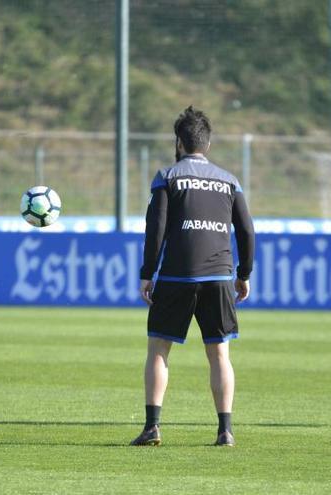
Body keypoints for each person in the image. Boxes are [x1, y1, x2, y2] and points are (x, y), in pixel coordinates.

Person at [131, 106, 255, 447]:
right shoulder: (230, 180)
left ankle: (152, 426)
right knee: (219, 355)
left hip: (176, 276)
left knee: (158, 350)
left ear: (178, 143)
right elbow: (246, 230)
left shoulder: (167, 176)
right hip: (219, 276)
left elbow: (154, 230)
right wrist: (243, 273)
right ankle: (225, 430)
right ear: (208, 144)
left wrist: (147, 273)